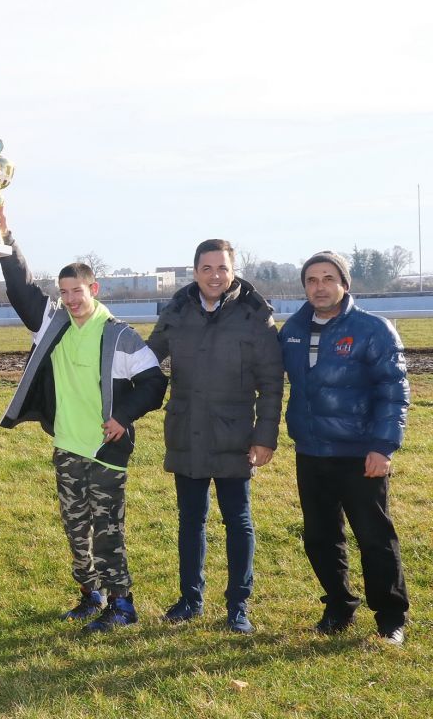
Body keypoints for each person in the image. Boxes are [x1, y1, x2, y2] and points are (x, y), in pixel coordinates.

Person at [0, 207, 167, 633]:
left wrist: (123, 417)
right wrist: (5, 237)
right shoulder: (56, 325)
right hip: (67, 446)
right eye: (65, 292)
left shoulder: (120, 335)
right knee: (76, 530)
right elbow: (22, 290)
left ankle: (122, 604)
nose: (71, 299)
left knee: (107, 531)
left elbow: (154, 384)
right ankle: (93, 595)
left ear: (95, 288)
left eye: (78, 291)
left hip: (105, 450)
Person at [145, 239, 283, 634]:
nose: (215, 276)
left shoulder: (255, 315)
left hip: (235, 435)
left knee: (238, 520)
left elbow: (271, 383)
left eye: (222, 268)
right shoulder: (177, 310)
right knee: (190, 520)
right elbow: (147, 359)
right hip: (186, 430)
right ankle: (190, 599)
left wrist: (265, 437)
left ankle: (238, 606)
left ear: (233, 270)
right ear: (195, 272)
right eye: (207, 268)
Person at [279, 251, 410, 645]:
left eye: (328, 278)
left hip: (360, 454)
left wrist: (383, 447)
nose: (320, 286)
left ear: (345, 283)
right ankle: (339, 605)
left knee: (373, 536)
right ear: (304, 287)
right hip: (311, 452)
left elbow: (394, 391)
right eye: (312, 280)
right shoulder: (292, 330)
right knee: (320, 536)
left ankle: (390, 617)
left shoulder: (374, 329)